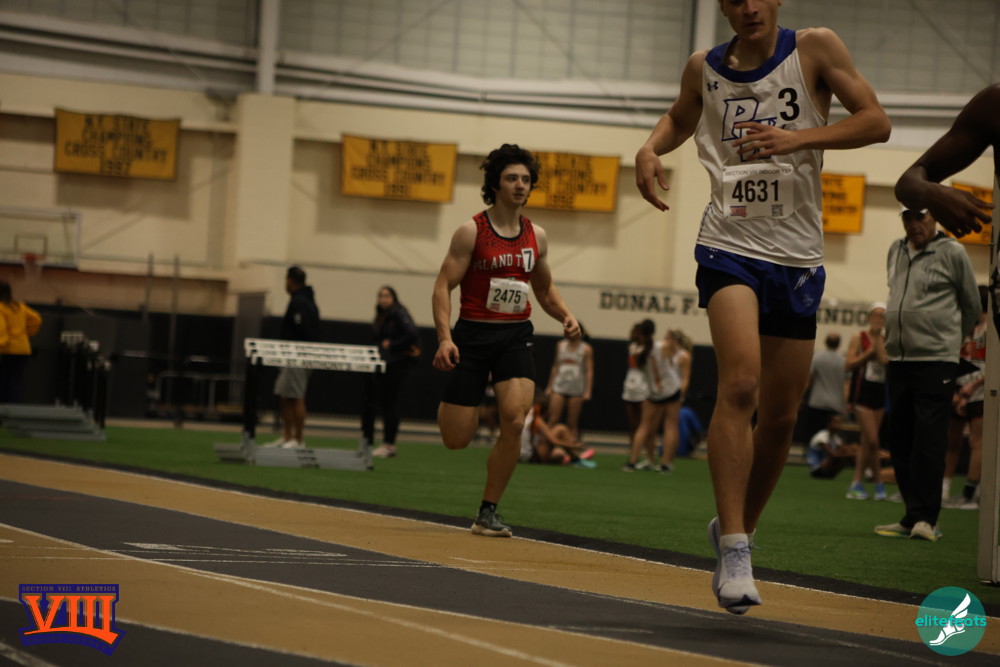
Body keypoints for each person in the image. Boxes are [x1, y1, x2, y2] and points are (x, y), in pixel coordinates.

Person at [634, 0, 890, 614]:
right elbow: (679, 117)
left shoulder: (815, 48)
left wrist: (797, 137)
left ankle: (738, 532)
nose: (749, 7)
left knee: (780, 416)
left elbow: (876, 122)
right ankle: (737, 549)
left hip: (797, 255)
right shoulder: (704, 67)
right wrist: (649, 148)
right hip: (729, 243)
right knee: (741, 383)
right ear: (722, 6)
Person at [432, 143, 581, 538]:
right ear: (495, 185)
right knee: (456, 439)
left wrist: (565, 315)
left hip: (515, 335)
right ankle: (452, 406)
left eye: (526, 179)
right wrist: (445, 339)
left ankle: (488, 511)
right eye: (512, 178)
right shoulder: (471, 232)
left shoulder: (537, 236)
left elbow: (544, 290)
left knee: (515, 420)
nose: (520, 185)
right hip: (473, 336)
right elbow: (443, 286)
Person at [873, 209, 980, 542]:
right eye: (908, 218)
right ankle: (911, 515)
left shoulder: (953, 252)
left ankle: (926, 519)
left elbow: (971, 305)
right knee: (899, 439)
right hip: (899, 359)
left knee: (929, 440)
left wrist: (950, 343)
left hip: (937, 360)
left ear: (934, 218)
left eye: (920, 217)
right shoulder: (896, 249)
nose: (914, 224)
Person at [942, 285, 988, 509]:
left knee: (977, 442)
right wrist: (956, 390)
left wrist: (974, 385)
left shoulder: (990, 329)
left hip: (981, 391)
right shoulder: (965, 328)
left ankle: (971, 491)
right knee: (953, 441)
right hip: (960, 390)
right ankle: (943, 488)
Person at [361, 286, 420, 459]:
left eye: (387, 296)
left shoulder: (399, 313)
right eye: (381, 296)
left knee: (391, 404)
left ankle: (389, 444)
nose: (383, 299)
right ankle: (380, 442)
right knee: (383, 403)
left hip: (397, 364)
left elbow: (412, 334)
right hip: (385, 363)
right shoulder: (382, 315)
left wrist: (392, 344)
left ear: (394, 298)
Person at [622, 328, 690, 474]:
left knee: (646, 426)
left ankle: (634, 462)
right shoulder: (661, 347)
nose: (666, 340)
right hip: (667, 390)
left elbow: (638, 365)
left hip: (657, 391)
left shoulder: (641, 349)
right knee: (667, 426)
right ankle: (663, 464)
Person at [267, 266, 321, 449]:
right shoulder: (305, 300)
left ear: (290, 281)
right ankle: (287, 436)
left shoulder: (300, 301)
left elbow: (303, 330)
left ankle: (298, 440)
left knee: (296, 395)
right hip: (293, 354)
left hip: (298, 354)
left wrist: (295, 351)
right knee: (286, 395)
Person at [844, 304, 889, 501]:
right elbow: (848, 364)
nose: (879, 320)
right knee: (873, 441)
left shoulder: (887, 339)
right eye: (876, 316)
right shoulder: (858, 337)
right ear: (869, 317)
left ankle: (856, 483)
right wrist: (868, 353)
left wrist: (878, 345)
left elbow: (885, 362)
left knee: (866, 442)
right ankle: (879, 481)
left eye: (883, 317)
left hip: (879, 394)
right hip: (861, 393)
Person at [543, 323, 593, 441]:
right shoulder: (561, 345)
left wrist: (587, 391)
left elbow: (589, 371)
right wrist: (549, 386)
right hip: (559, 386)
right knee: (553, 418)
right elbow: (555, 366)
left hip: (576, 388)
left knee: (572, 422)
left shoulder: (586, 349)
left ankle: (572, 446)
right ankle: (546, 444)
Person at [519, 394, 595, 467]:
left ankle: (569, 456)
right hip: (532, 457)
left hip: (521, 455)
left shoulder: (521, 416)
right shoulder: (537, 419)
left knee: (559, 454)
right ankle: (576, 459)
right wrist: (574, 445)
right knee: (561, 428)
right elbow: (554, 441)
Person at [0, 280, 42, 403]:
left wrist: (1, 343)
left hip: (7, 349)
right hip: (24, 348)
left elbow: (1, 328)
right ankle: (15, 408)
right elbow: (37, 319)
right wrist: (26, 333)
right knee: (16, 381)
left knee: (4, 381)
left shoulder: (1, 308)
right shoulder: (19, 306)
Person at [802, 332, 846, 448]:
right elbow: (846, 385)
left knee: (813, 436)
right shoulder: (844, 361)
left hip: (817, 403)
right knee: (831, 438)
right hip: (836, 404)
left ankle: (812, 456)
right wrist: (846, 405)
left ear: (826, 342)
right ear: (838, 344)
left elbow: (808, 380)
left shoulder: (817, 358)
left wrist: (801, 397)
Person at [621, 320, 654, 457]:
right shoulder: (632, 347)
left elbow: (641, 364)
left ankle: (648, 451)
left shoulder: (649, 348)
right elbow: (634, 363)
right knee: (632, 423)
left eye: (637, 332)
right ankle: (633, 449)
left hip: (643, 387)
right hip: (630, 386)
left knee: (644, 423)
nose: (634, 334)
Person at [806, 413, 857, 480]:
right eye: (835, 422)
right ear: (828, 424)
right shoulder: (821, 436)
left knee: (852, 447)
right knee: (847, 450)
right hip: (817, 469)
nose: (838, 424)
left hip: (828, 470)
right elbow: (833, 455)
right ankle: (865, 471)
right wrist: (852, 455)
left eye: (839, 422)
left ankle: (864, 471)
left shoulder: (836, 438)